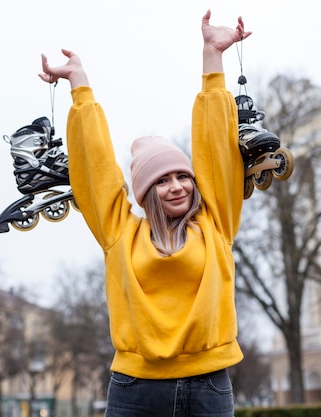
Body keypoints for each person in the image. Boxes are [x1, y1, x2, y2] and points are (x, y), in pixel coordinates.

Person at [39, 9, 251, 417]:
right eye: (162, 180)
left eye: (182, 176)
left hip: (208, 384)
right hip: (135, 388)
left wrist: (213, 57)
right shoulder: (120, 231)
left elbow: (215, 149)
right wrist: (79, 85)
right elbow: (94, 168)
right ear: (145, 192)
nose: (177, 186)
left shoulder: (216, 223)